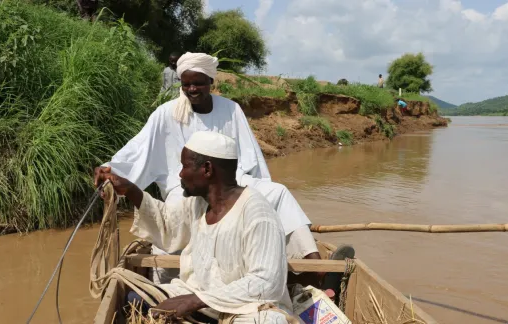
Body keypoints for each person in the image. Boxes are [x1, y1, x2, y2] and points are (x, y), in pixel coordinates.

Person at [94, 52, 341, 285]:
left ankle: (316, 270)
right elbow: (139, 148)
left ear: (210, 81)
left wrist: (257, 198)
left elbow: (250, 157)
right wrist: (110, 169)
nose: (191, 89)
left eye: (198, 83)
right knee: (176, 211)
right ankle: (171, 280)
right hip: (184, 190)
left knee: (278, 193)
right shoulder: (166, 114)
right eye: (186, 84)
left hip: (231, 184)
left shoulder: (231, 109)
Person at [96, 132, 293, 323]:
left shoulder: (258, 214)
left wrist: (196, 301)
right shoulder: (198, 204)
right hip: (198, 295)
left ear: (207, 169)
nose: (180, 173)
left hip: (244, 309)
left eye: (184, 166)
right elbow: (167, 224)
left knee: (269, 321)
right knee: (133, 300)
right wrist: (130, 190)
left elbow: (266, 283)